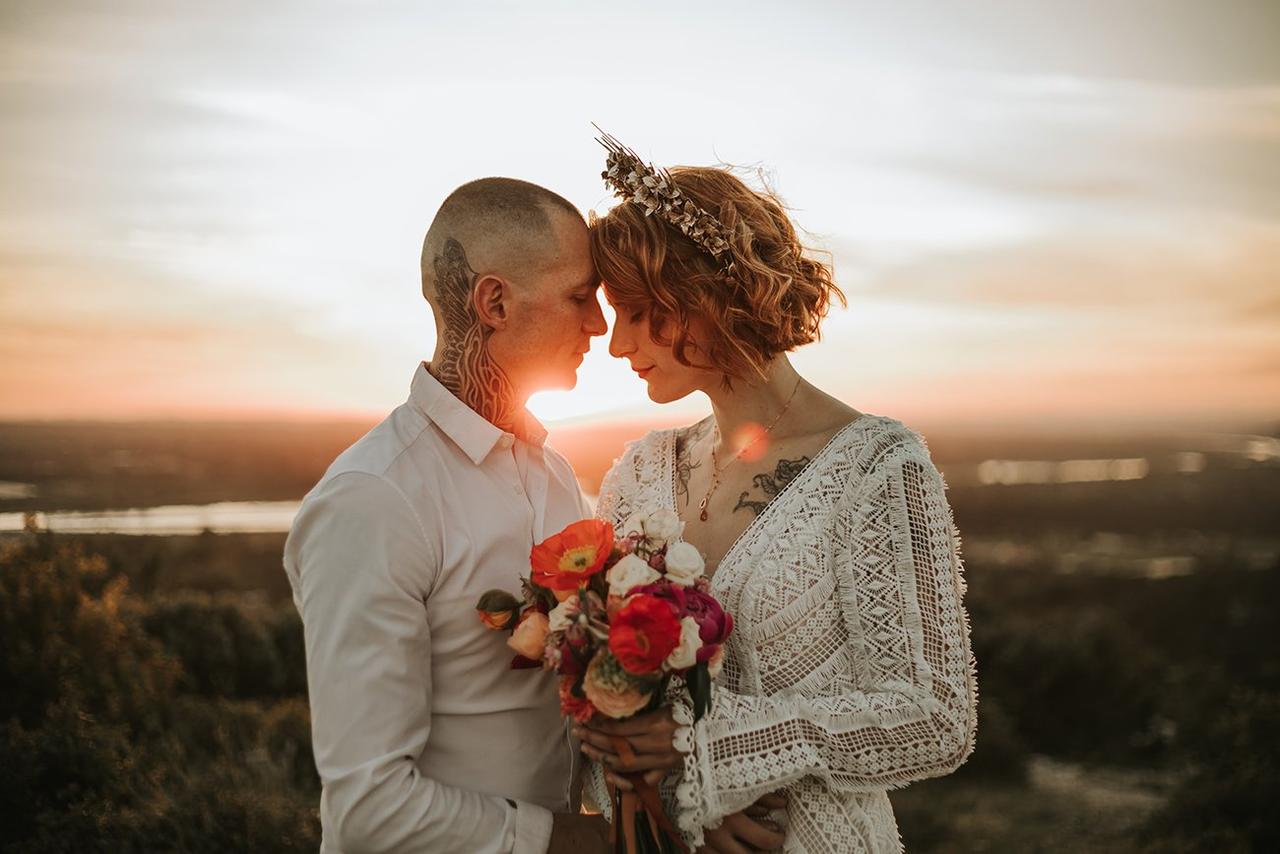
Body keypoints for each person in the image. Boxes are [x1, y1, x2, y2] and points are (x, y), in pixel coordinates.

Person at [573, 138, 979, 853]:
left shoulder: (876, 467)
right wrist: (683, 801)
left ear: (702, 294)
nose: (617, 344)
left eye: (637, 311)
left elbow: (934, 716)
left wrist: (716, 761)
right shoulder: (642, 470)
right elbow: (598, 685)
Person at [283, 177, 612, 853]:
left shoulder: (553, 474)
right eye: (581, 296)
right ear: (494, 301)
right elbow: (369, 809)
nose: (599, 326)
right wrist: (570, 844)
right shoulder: (374, 497)